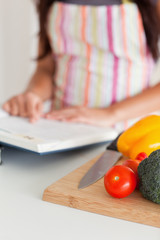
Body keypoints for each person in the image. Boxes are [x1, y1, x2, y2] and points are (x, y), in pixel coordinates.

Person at [3, 0, 160, 130]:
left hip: (126, 132)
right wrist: (33, 95)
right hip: (61, 128)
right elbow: (46, 68)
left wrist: (109, 113)